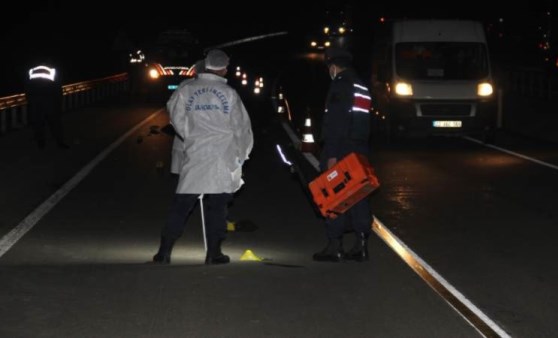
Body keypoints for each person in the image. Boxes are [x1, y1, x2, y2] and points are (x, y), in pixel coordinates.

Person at [153, 49, 254, 265]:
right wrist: (242, 154)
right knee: (218, 206)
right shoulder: (228, 93)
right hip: (221, 156)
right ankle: (214, 253)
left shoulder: (187, 89)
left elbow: (174, 114)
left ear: (206, 65)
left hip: (196, 154)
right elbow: (241, 127)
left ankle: (164, 251)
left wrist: (190, 135)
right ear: (225, 68)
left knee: (181, 204)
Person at [313, 47, 373, 262]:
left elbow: (336, 123)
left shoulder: (340, 85)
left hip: (341, 149)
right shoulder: (361, 85)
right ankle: (362, 245)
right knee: (358, 196)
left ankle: (334, 246)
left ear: (334, 66)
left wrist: (331, 153)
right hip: (360, 148)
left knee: (335, 197)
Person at [25, 60, 69, 149]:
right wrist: (59, 103)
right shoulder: (52, 71)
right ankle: (60, 142)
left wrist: (30, 101)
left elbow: (27, 87)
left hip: (36, 101)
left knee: (38, 123)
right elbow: (57, 88)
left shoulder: (31, 70)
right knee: (55, 122)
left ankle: (41, 143)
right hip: (50, 101)